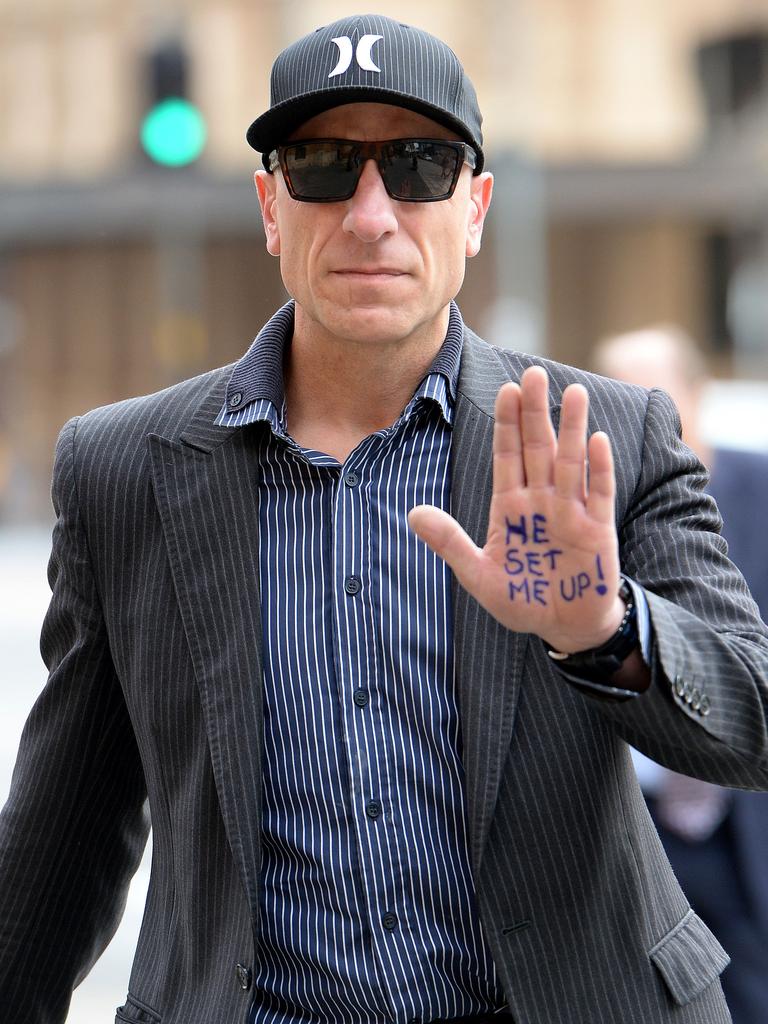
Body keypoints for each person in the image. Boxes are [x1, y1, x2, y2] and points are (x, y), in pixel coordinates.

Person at [0, 14, 767, 1024]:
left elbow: (750, 721)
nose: (372, 214)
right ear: (271, 206)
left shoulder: (608, 437)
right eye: (323, 164)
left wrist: (607, 632)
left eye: (419, 165)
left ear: (478, 206)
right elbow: (66, 834)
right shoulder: (124, 472)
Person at [593, 325, 768, 1024]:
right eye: (622, 395)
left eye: (656, 395)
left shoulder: (757, 490)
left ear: (695, 396)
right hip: (634, 823)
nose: (641, 412)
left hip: (741, 820)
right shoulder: (584, 506)